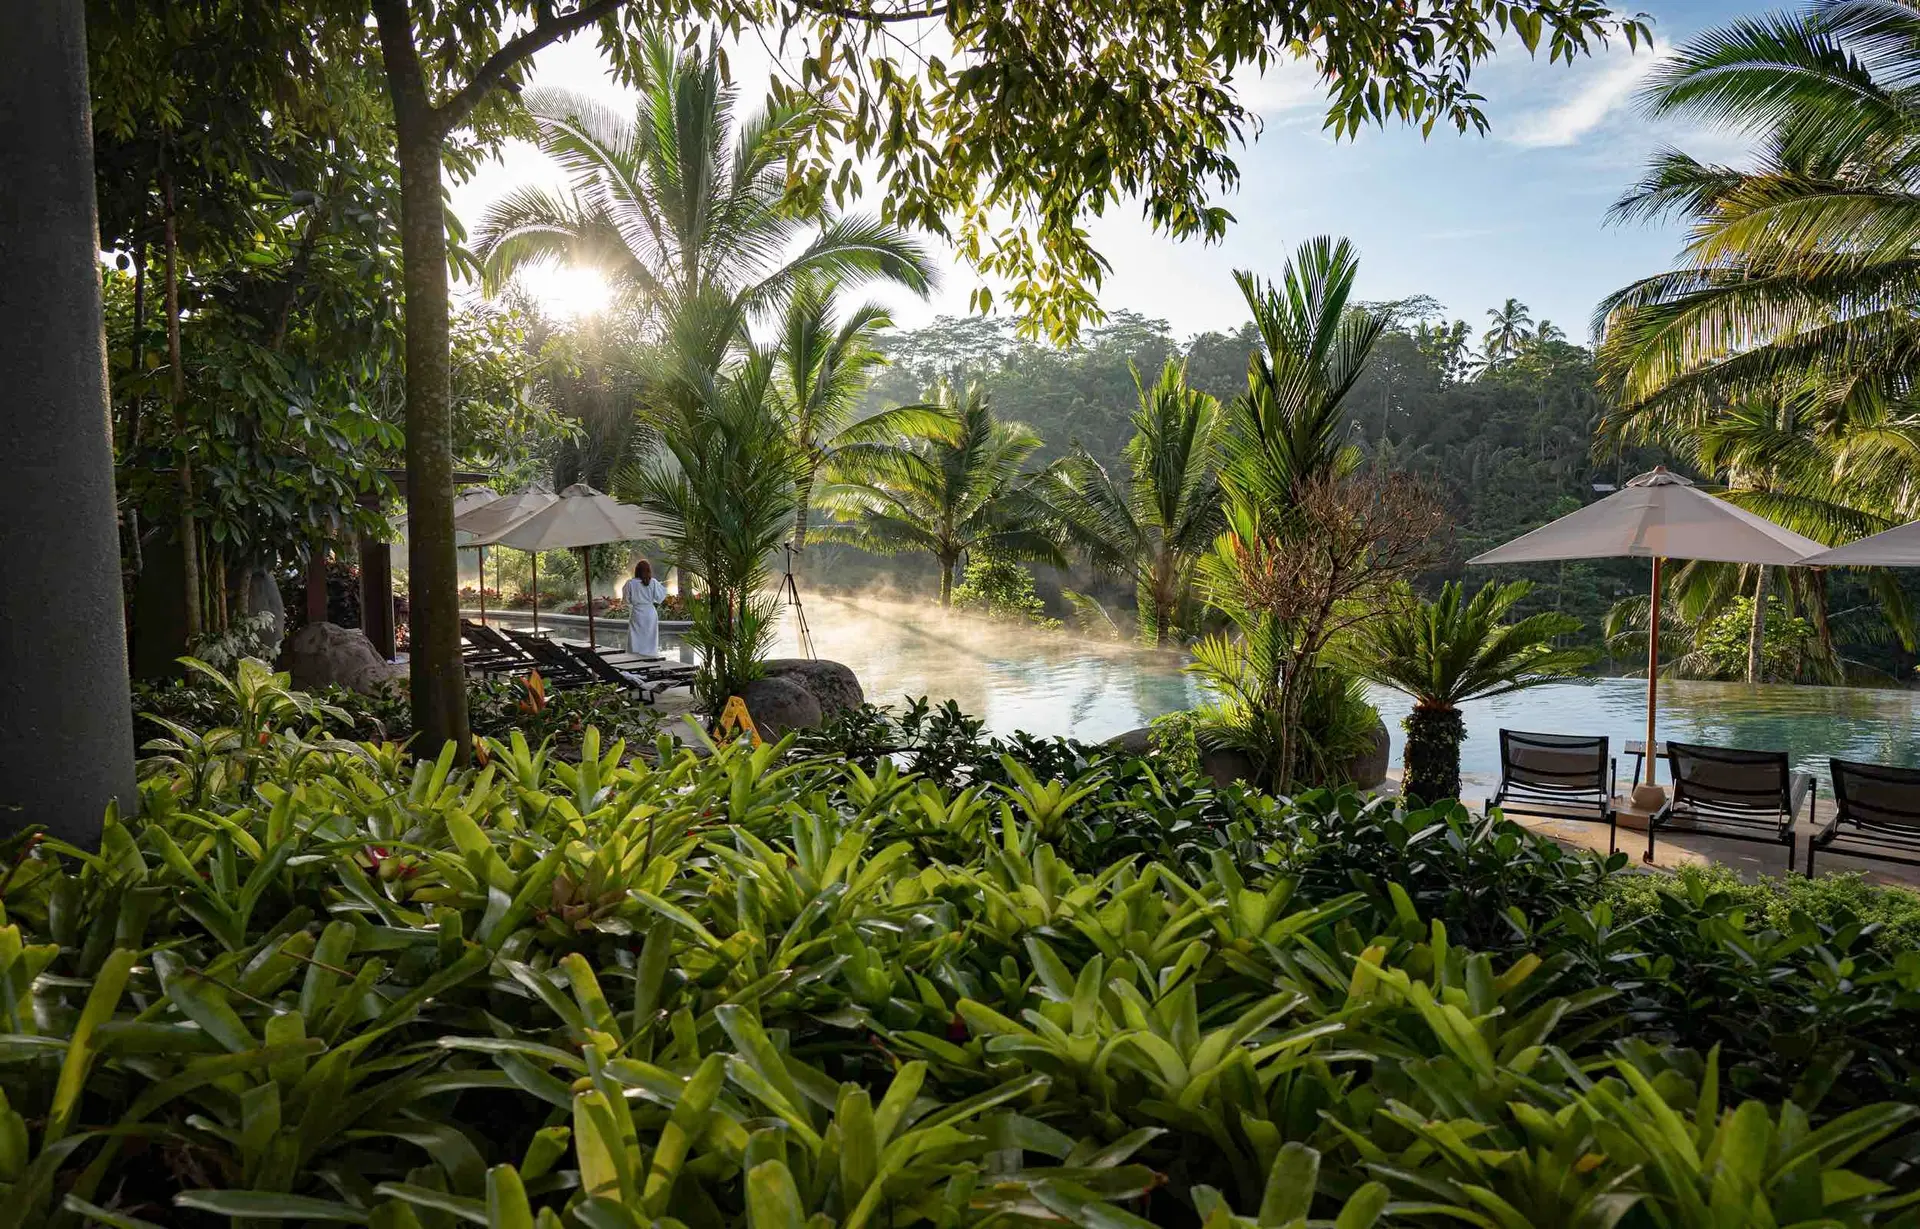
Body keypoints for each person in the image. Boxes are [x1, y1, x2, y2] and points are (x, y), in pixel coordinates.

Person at [623, 559, 668, 657]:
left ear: (636, 570)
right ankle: (650, 655)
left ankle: (634, 657)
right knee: (650, 637)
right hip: (650, 613)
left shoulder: (630, 583)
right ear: (648, 570)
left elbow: (626, 600)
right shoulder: (654, 582)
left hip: (637, 613)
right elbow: (660, 598)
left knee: (635, 636)